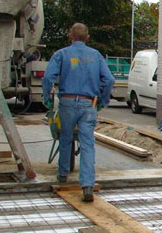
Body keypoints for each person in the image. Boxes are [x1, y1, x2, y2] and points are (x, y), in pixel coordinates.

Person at [42, 23, 115, 202]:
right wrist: (102, 101)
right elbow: (110, 80)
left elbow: (47, 78)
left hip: (67, 102)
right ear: (87, 38)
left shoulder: (62, 54)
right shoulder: (95, 56)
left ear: (70, 36)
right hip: (88, 104)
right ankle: (87, 185)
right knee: (87, 143)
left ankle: (63, 174)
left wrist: (47, 99)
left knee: (65, 138)